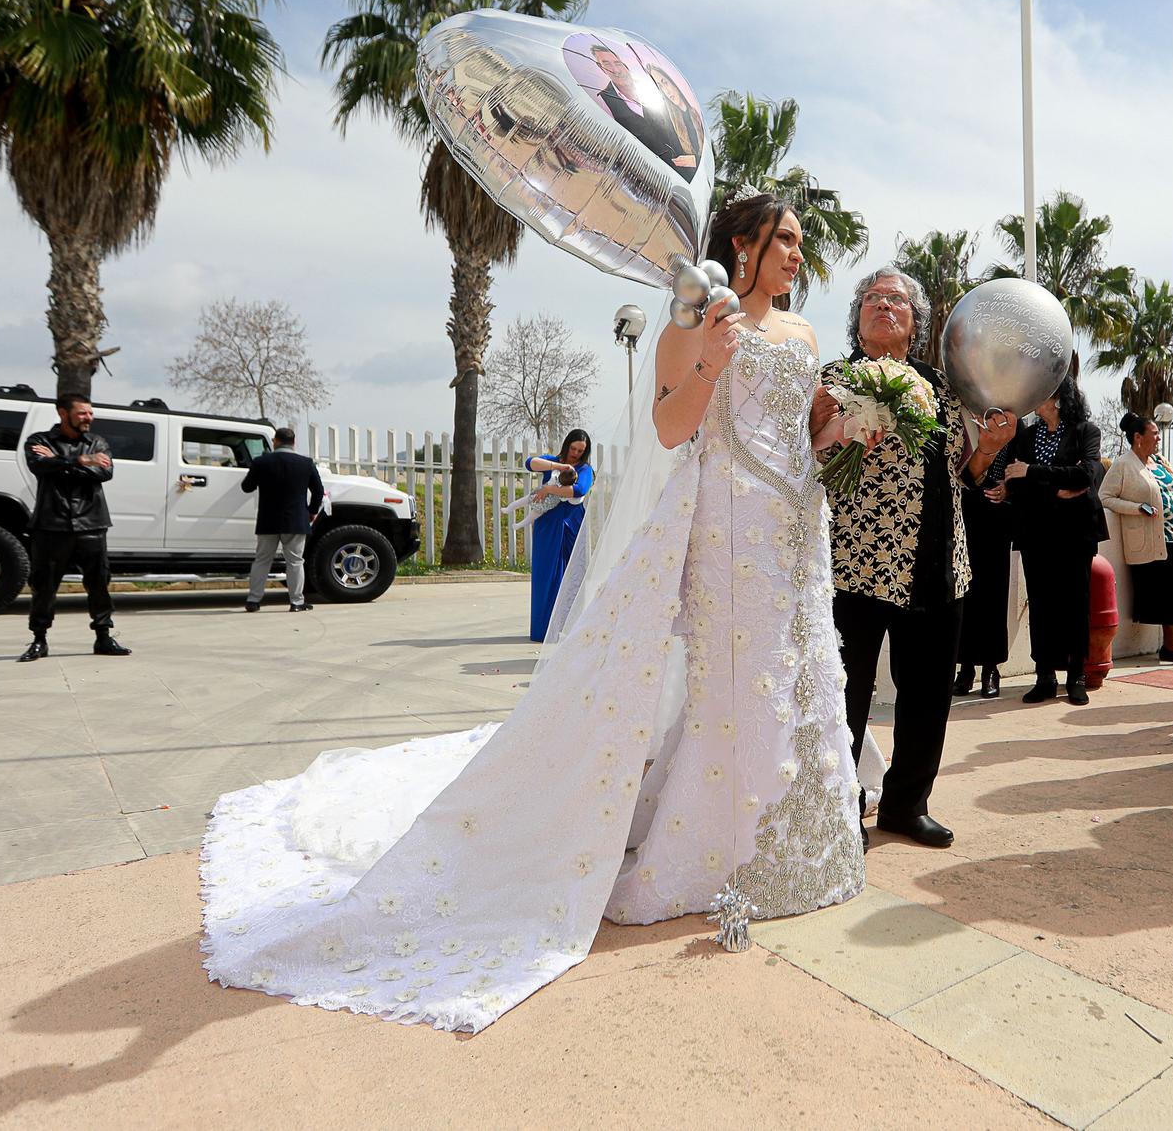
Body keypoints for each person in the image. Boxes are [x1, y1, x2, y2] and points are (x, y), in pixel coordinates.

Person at [201, 194, 868, 1033]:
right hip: (726, 526)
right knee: (736, 676)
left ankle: (799, 835)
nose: (798, 255)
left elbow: (798, 437)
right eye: (788, 241)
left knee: (802, 671)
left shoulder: (805, 335)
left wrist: (844, 430)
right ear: (744, 244)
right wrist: (709, 357)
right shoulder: (690, 324)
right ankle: (719, 844)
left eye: (802, 245)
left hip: (797, 524)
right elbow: (668, 430)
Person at [819, 267, 1014, 849]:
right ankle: (838, 805)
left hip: (938, 564)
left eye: (897, 300)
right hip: (858, 562)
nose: (884, 306)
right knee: (845, 693)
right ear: (857, 317)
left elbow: (962, 475)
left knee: (928, 696)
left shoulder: (946, 389)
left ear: (916, 321)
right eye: (873, 299)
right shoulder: (833, 378)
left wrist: (989, 452)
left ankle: (906, 804)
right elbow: (809, 461)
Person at [1006, 374, 1105, 706]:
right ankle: (1044, 676)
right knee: (1042, 605)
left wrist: (1034, 473)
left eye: (1043, 392)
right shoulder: (1027, 436)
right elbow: (1014, 482)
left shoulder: (1085, 431)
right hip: (1036, 532)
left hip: (1075, 532)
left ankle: (1075, 676)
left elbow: (1086, 475)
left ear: (1060, 397)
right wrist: (1057, 485)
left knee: (1075, 604)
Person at [19, 394, 129, 661]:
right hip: (51, 524)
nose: (88, 418)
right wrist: (81, 461)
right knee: (44, 586)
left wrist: (60, 463)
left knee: (99, 583)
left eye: (90, 413)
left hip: (92, 523)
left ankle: (103, 637)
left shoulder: (97, 442)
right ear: (63, 413)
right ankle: (39, 640)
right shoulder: (39, 441)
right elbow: (39, 466)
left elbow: (104, 473)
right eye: (82, 413)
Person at [1100, 412, 1173, 662]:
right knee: (1166, 597)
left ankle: (1169, 646)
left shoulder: (1161, 461)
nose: (1158, 439)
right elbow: (1105, 497)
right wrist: (1137, 508)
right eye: (1154, 434)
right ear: (1138, 437)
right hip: (1152, 541)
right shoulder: (1124, 464)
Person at [518, 430, 595, 642]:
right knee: (545, 572)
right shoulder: (554, 463)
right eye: (573, 449)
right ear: (567, 445)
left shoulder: (585, 469)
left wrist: (550, 488)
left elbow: (580, 489)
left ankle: (569, 625)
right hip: (548, 523)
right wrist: (558, 467)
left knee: (572, 573)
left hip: (571, 524)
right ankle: (543, 628)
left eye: (581, 451)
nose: (576, 454)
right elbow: (529, 462)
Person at [240, 425, 326, 613]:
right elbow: (318, 491)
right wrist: (311, 511)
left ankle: (253, 600)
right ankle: (296, 602)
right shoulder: (306, 463)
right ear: (294, 443)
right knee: (295, 562)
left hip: (268, 520)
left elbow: (246, 487)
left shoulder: (261, 462)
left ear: (275, 441)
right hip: (296, 520)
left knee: (262, 560)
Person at [952, 442, 1013, 699]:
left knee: (994, 594)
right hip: (965, 512)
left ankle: (991, 669)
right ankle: (965, 669)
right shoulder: (967, 419)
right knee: (965, 592)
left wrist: (1009, 489)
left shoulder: (1015, 425)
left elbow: (1025, 463)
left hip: (997, 518)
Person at [588, 42, 683, 167]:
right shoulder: (603, 101)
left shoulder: (655, 91)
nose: (615, 70)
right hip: (643, 171)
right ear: (600, 67)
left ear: (625, 64)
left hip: (679, 168)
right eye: (606, 64)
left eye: (617, 63)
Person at [642, 63, 705, 179]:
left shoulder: (695, 114)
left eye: (664, 82)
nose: (666, 90)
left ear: (673, 82)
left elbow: (705, 159)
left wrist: (696, 160)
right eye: (659, 86)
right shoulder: (665, 120)